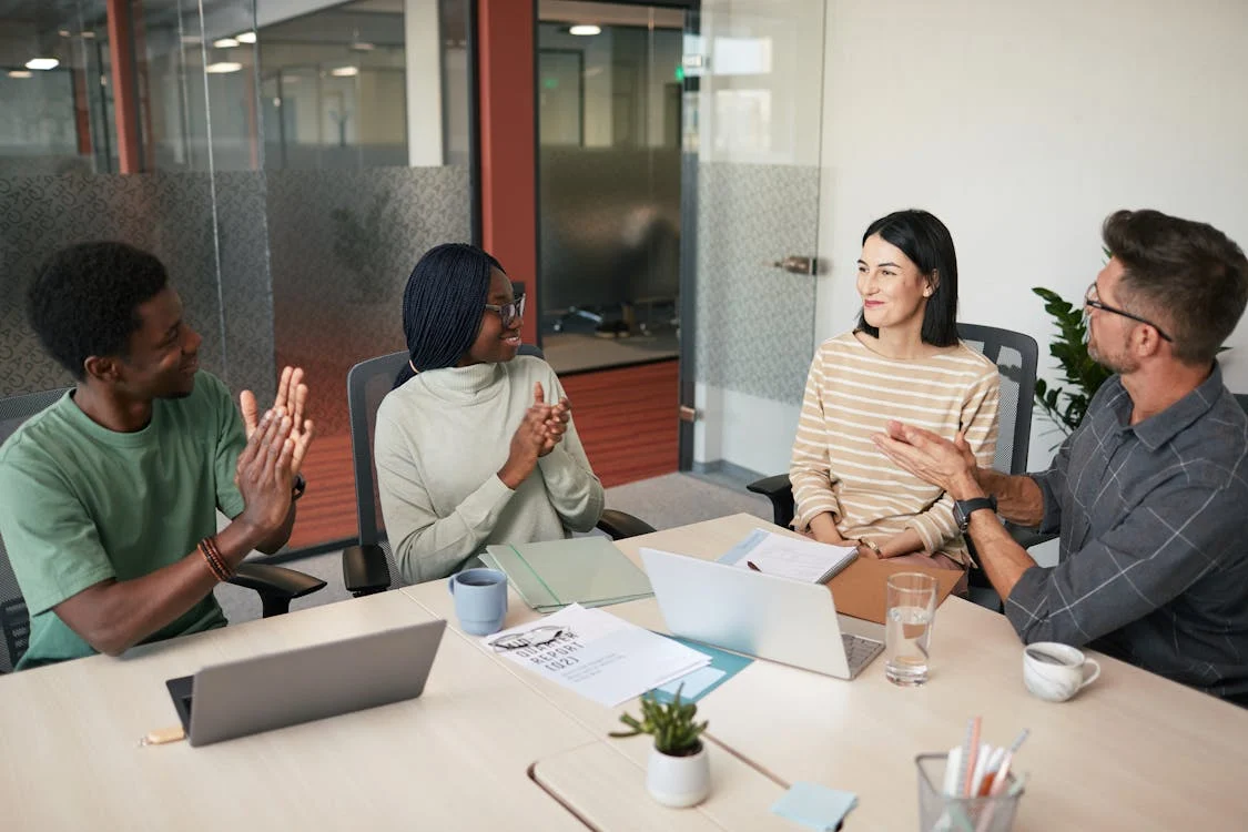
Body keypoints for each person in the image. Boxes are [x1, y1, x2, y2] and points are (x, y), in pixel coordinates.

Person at [876, 209, 1248, 704]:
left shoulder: (1209, 478)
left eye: (1098, 302)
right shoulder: (1120, 394)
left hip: (1176, 703)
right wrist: (975, 477)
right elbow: (1054, 497)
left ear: (1144, 337)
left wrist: (965, 495)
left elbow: (1048, 616)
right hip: (1083, 660)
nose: (1086, 309)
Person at [0, 242, 314, 669]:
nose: (194, 340)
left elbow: (273, 536)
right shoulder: (31, 466)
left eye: (181, 322)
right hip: (81, 675)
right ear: (106, 368)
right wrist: (248, 528)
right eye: (171, 337)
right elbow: (108, 627)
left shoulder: (203, 397)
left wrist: (276, 476)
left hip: (198, 649)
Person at [789, 210, 1000, 588]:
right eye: (863, 268)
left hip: (921, 552)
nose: (867, 286)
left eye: (886, 272)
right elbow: (808, 468)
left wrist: (879, 553)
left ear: (929, 282)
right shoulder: (833, 357)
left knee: (867, 614)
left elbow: (963, 497)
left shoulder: (974, 377)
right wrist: (834, 544)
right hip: (829, 540)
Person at [375, 243, 604, 584]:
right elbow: (414, 564)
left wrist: (548, 453)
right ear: (455, 315)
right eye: (502, 309)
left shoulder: (536, 378)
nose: (518, 321)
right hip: (468, 603)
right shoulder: (400, 412)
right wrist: (509, 474)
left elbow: (588, 516)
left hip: (556, 592)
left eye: (515, 304)